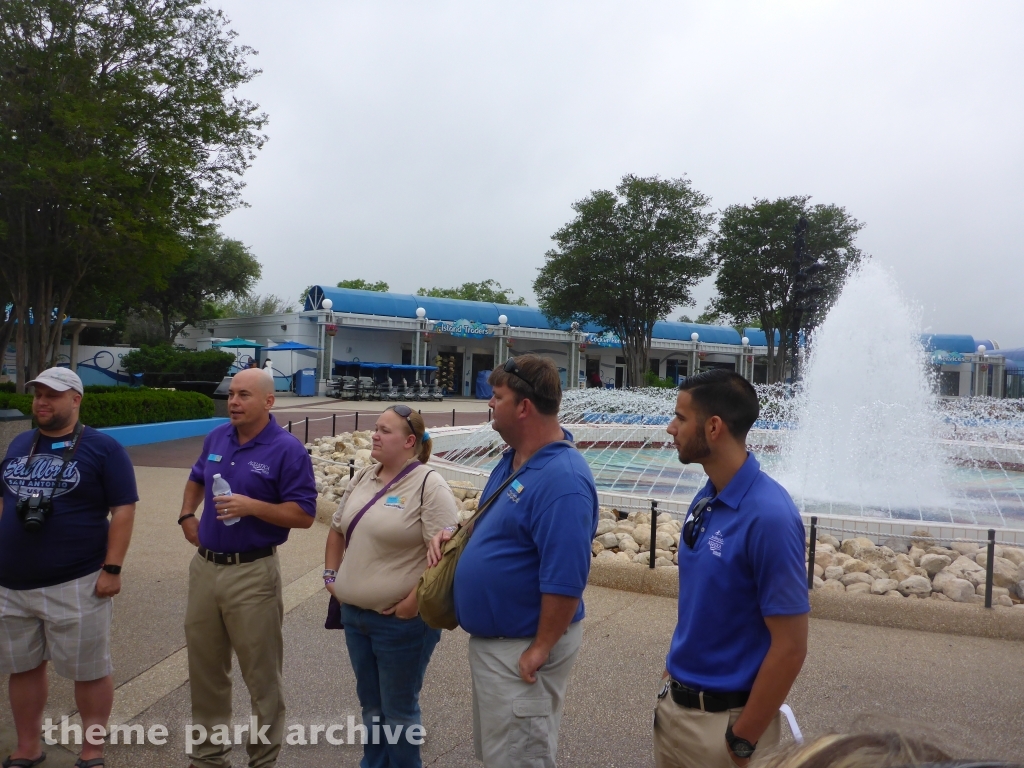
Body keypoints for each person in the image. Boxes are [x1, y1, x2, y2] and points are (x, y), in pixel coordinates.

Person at [428, 354, 599, 768]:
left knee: (521, 758)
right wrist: (458, 534)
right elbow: (498, 521)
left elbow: (565, 579)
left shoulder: (563, 480)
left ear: (523, 407)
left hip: (522, 651)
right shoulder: (515, 458)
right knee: (500, 756)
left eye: (497, 396)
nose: (489, 403)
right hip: (500, 648)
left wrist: (540, 649)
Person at [656, 369, 809, 768]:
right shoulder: (707, 497)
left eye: (681, 418)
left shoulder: (770, 516)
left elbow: (791, 646)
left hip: (726, 730)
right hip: (676, 713)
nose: (671, 427)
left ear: (713, 427)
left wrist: (743, 738)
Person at [178, 368, 316, 768]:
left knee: (261, 678)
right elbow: (197, 477)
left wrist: (253, 506)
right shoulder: (217, 437)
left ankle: (262, 760)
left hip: (253, 574)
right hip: (205, 569)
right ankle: (208, 758)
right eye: (231, 394)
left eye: (243, 395)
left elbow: (305, 515)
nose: (233, 402)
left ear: (269, 402)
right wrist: (186, 514)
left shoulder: (287, 449)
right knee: (205, 671)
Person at [0, 367, 138, 768]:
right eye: (38, 395)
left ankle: (92, 751)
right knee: (22, 668)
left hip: (76, 580)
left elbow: (123, 509)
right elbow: (5, 501)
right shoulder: (20, 443)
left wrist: (112, 568)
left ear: (76, 399)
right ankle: (28, 746)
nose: (41, 402)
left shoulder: (104, 448)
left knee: (89, 671)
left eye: (52, 395)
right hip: (12, 583)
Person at [324, 405, 458, 768]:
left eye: (385, 430)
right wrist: (331, 578)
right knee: (371, 707)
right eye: (376, 428)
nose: (375, 435)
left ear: (410, 441)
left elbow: (447, 556)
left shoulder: (429, 485)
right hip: (355, 618)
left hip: (401, 626)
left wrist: (410, 605)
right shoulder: (364, 476)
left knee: (398, 712)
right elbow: (337, 529)